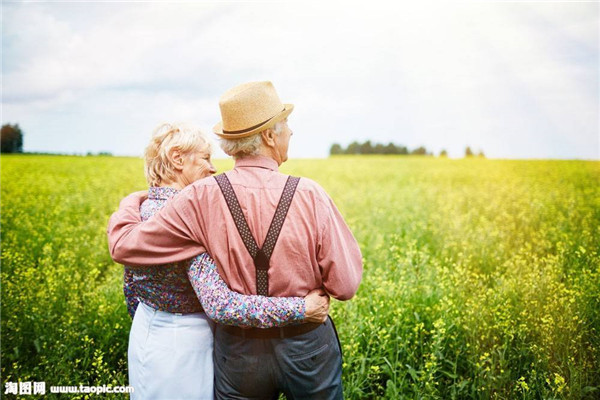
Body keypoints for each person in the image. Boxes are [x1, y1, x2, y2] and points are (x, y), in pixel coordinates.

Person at [108, 81, 363, 399]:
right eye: (287, 127)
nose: (292, 134)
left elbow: (125, 246)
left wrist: (134, 201)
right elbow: (346, 285)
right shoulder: (310, 194)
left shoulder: (199, 196)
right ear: (270, 136)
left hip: (239, 354)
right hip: (307, 346)